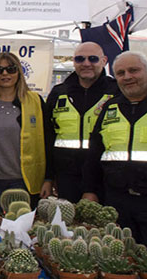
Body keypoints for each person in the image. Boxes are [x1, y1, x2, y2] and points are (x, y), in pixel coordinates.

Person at [82, 51, 147, 269]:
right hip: (117, 202)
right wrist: (90, 191)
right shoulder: (110, 108)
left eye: (134, 70)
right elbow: (95, 153)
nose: (127, 76)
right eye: (121, 73)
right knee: (119, 265)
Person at [0, 52, 49, 236]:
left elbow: (48, 140)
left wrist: (48, 178)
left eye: (11, 69)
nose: (5, 74)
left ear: (19, 72)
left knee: (20, 237)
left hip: (22, 181)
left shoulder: (35, 101)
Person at [43, 42, 119, 203]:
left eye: (93, 59)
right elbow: (47, 138)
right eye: (79, 59)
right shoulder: (58, 93)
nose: (86, 64)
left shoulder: (117, 91)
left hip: (105, 178)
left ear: (104, 60)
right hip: (67, 179)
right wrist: (48, 177)